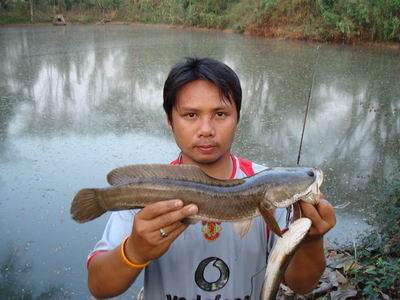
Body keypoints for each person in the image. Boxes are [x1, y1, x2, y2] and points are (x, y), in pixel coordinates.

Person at [87, 57, 336, 299]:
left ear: (237, 117)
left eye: (220, 114)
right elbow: (99, 287)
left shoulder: (270, 187)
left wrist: (311, 241)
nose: (206, 129)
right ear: (169, 120)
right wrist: (134, 251)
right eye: (191, 115)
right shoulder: (150, 191)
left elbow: (301, 284)